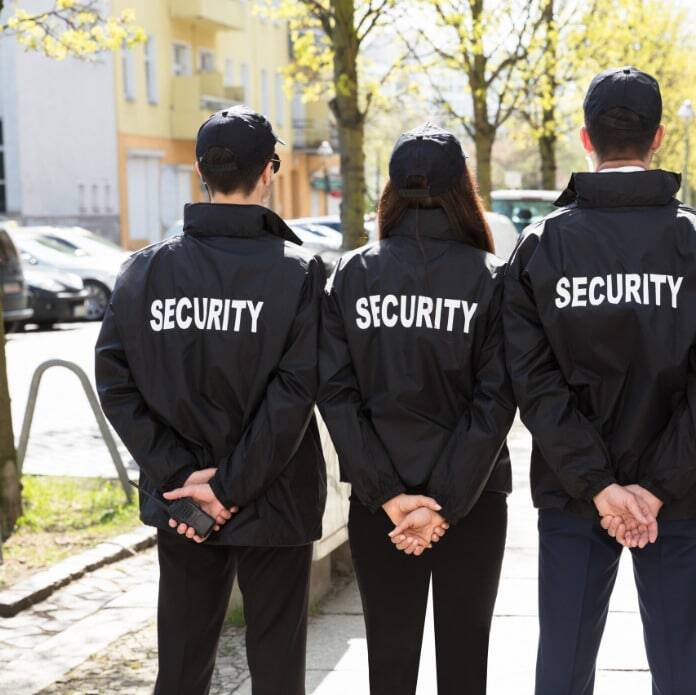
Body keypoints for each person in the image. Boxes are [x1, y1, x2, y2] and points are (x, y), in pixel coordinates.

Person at [503, 67, 696, 695]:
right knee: (681, 662)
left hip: (573, 490)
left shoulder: (538, 247)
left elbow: (534, 384)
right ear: (658, 137)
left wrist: (601, 486)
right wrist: (656, 487)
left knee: (563, 661)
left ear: (587, 138)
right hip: (678, 492)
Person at [95, 106, 326, 695]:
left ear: (200, 172)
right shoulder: (299, 273)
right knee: (277, 669)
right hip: (273, 498)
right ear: (269, 172)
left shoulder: (142, 272)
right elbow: (294, 395)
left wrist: (185, 480)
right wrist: (227, 487)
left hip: (183, 504)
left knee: (181, 660)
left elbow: (116, 385)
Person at [318, 123, 515, 695]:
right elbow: (496, 400)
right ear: (464, 191)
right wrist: (445, 504)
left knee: (390, 658)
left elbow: (336, 394)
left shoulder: (352, 274)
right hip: (472, 500)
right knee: (465, 661)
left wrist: (390, 497)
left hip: (384, 506)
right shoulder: (491, 278)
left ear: (391, 192)